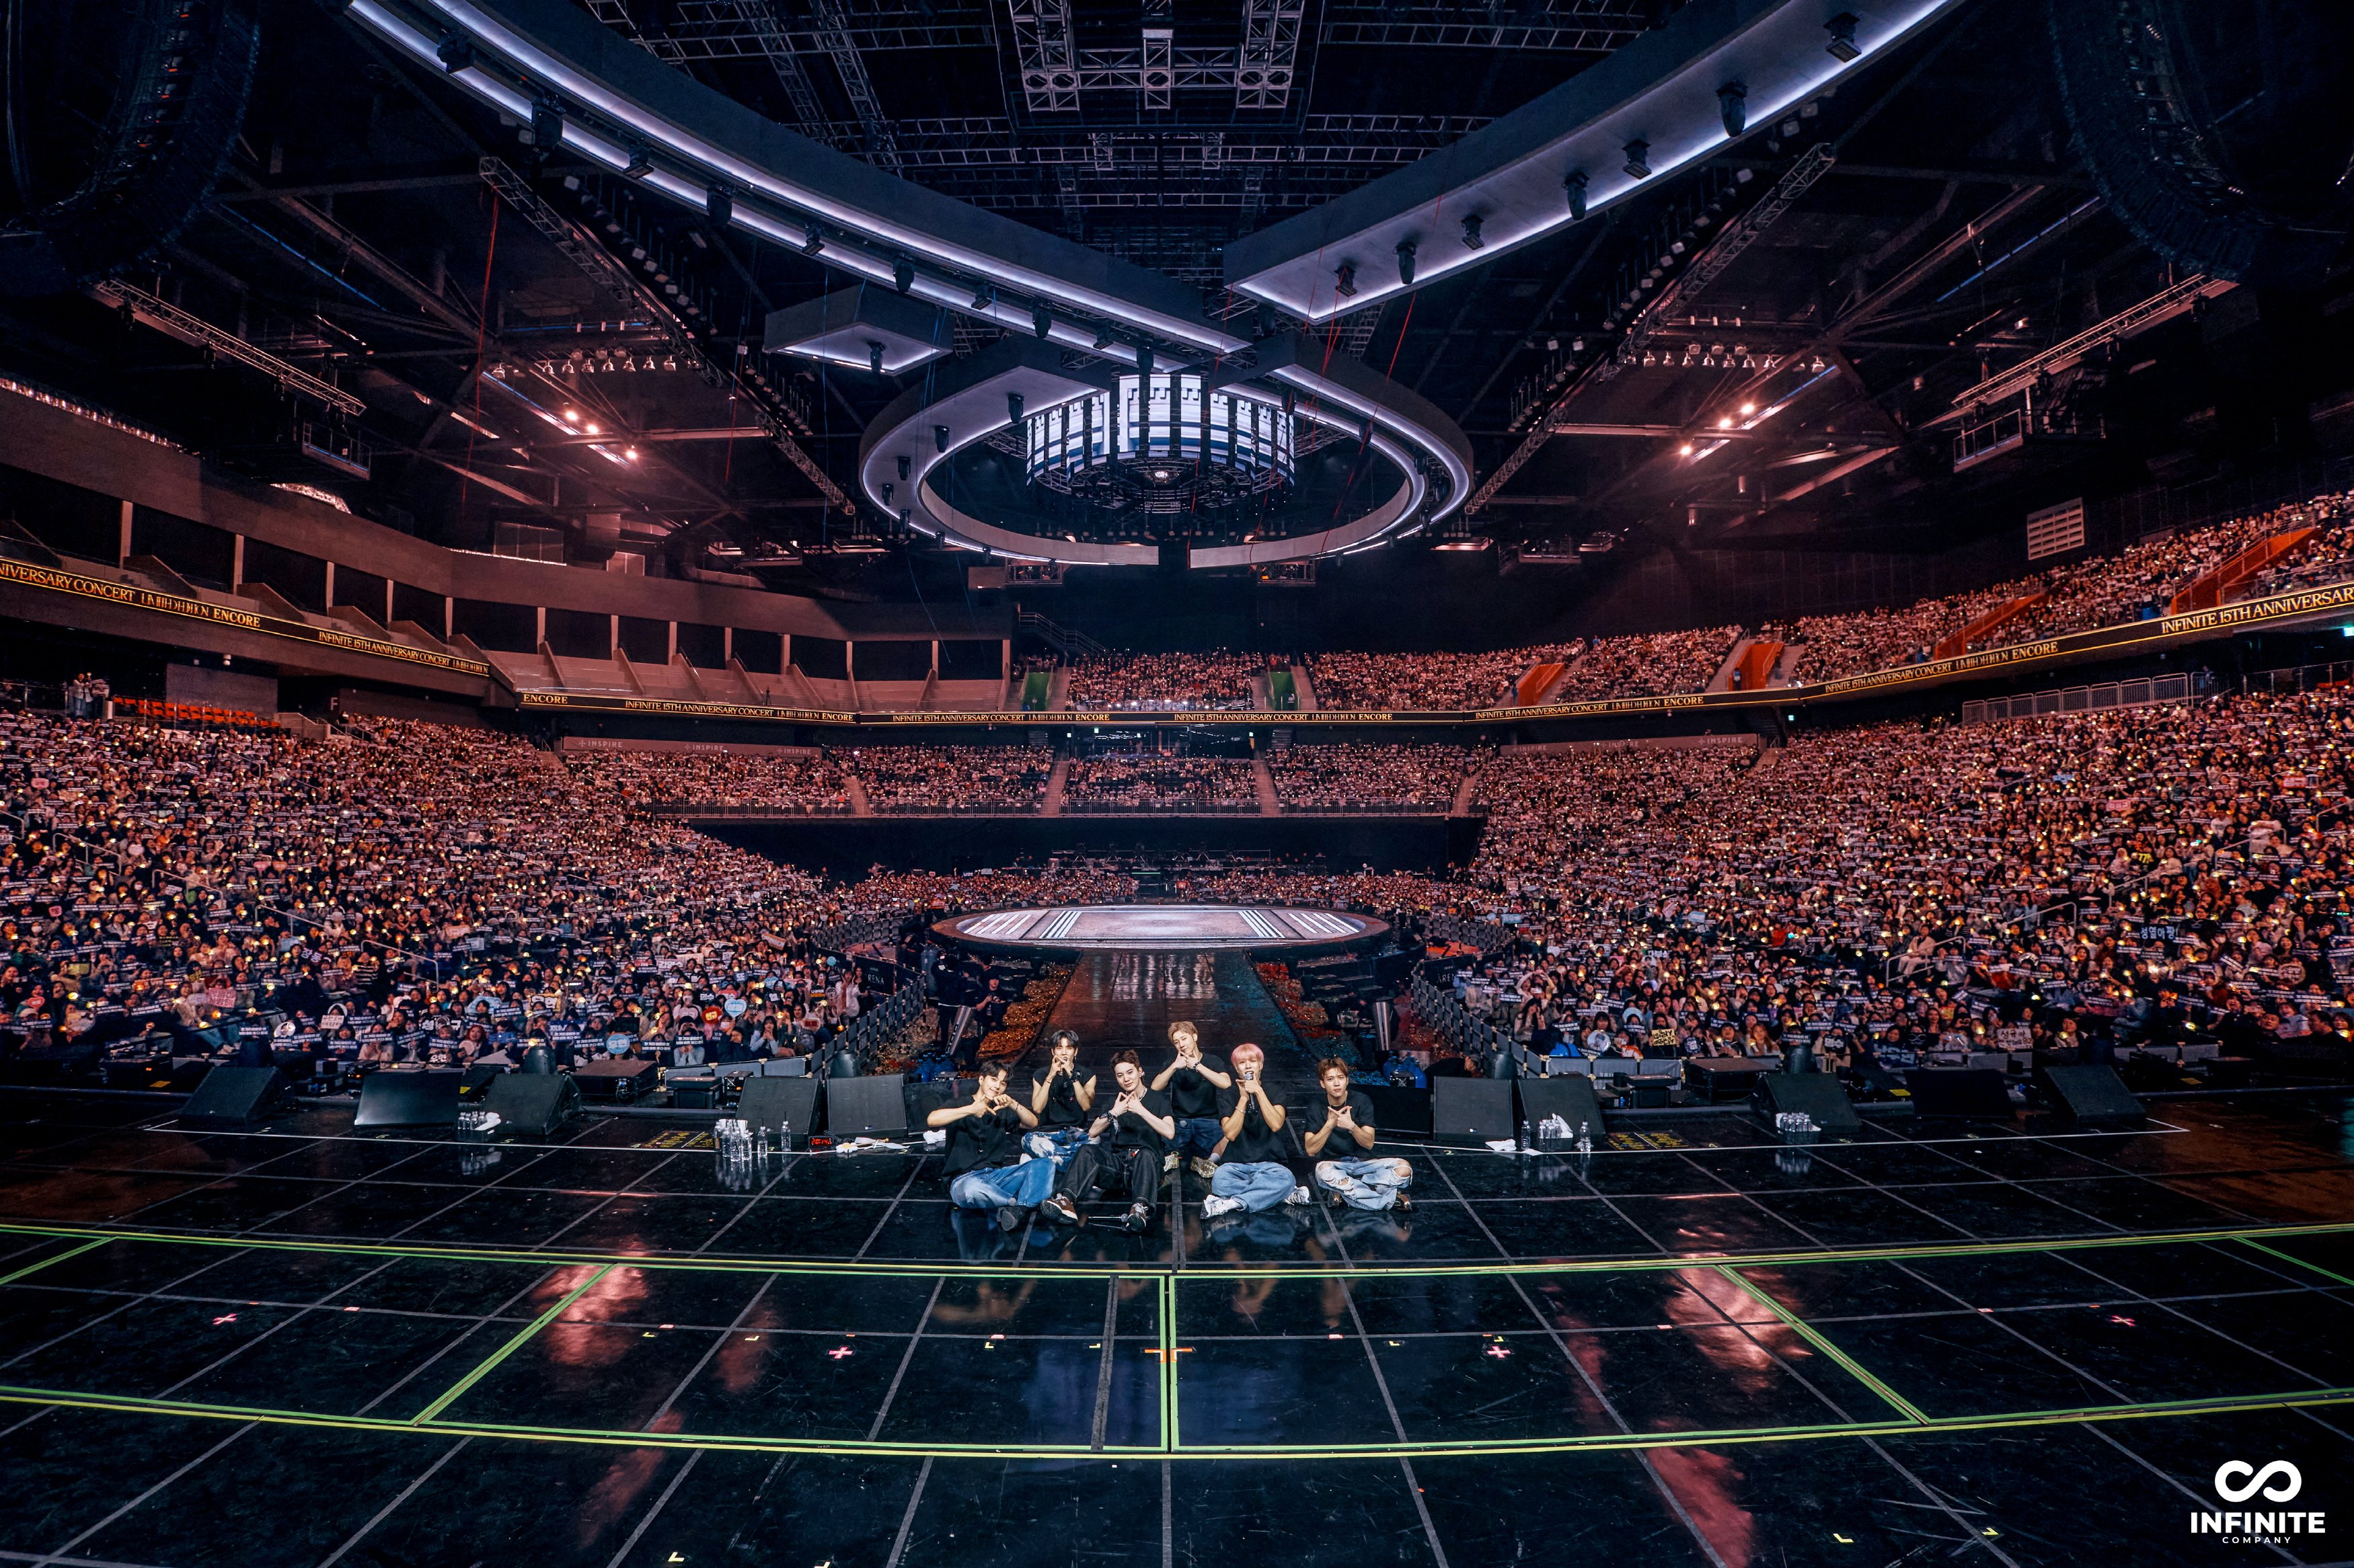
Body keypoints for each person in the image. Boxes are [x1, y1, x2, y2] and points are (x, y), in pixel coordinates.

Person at [1041, 1048, 1172, 1233]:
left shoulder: (1157, 1099)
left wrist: (1141, 1110)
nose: (1126, 1079)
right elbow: (1093, 1132)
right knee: (1086, 1151)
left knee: (1145, 1154)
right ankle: (1066, 1201)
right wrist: (1114, 1112)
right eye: (1120, 1075)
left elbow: (1170, 1132)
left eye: (1130, 1072)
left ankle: (1140, 1209)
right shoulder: (1114, 1102)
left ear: (1140, 1071)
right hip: (1119, 1167)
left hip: (1146, 1169)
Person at [927, 1061, 1052, 1231]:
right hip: (964, 1180)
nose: (997, 1086)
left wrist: (1013, 1104)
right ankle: (1017, 1204)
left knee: (1045, 1164)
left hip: (996, 1177)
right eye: (993, 1079)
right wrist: (971, 1110)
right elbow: (932, 1120)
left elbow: (1032, 1123)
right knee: (972, 1191)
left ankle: (1016, 1209)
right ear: (981, 1079)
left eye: (1003, 1084)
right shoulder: (961, 1104)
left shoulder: (1001, 1109)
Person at [1199, 1042, 1303, 1216]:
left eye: (1253, 1061)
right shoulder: (1228, 1094)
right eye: (1242, 1063)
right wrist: (1243, 1099)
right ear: (1236, 1069)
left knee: (1286, 1178)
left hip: (1270, 1165)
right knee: (1220, 1181)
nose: (1248, 1066)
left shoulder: (1275, 1090)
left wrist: (1259, 1092)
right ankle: (1277, 1194)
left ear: (1261, 1065)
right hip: (1236, 1165)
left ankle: (1232, 1203)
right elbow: (1230, 1134)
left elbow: (1276, 1124)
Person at [1303, 1057, 1411, 1212]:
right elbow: (1310, 1149)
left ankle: (1347, 1192)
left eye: (1341, 1078)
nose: (1336, 1083)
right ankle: (1387, 1198)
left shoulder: (1362, 1100)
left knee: (1404, 1169)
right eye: (1330, 1079)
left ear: (1347, 1080)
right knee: (1323, 1172)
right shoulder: (1315, 1106)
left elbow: (1369, 1143)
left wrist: (1351, 1126)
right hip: (1336, 1165)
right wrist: (1329, 1125)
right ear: (1322, 1083)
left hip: (1366, 1164)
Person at [1149, 1019, 1231, 1179]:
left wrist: (1197, 1066)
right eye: (1176, 1042)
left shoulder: (1212, 1061)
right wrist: (1174, 1067)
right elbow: (1155, 1087)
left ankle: (1209, 1162)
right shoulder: (1172, 1063)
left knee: (1230, 1137)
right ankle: (1170, 1157)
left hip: (1208, 1120)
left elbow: (1226, 1083)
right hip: (1181, 1122)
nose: (1181, 1045)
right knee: (1154, 1133)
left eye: (1184, 1039)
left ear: (1195, 1037)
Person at [1030, 1029, 1097, 1134]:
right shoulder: (1040, 1074)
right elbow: (1037, 1108)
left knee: (1095, 1139)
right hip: (1048, 1131)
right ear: (1053, 1051)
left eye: (1069, 1048)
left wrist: (1072, 1075)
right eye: (1059, 1048)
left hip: (1078, 1130)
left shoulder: (1087, 1074)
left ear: (1075, 1052)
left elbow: (1086, 1106)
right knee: (1027, 1140)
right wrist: (1050, 1077)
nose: (1064, 1053)